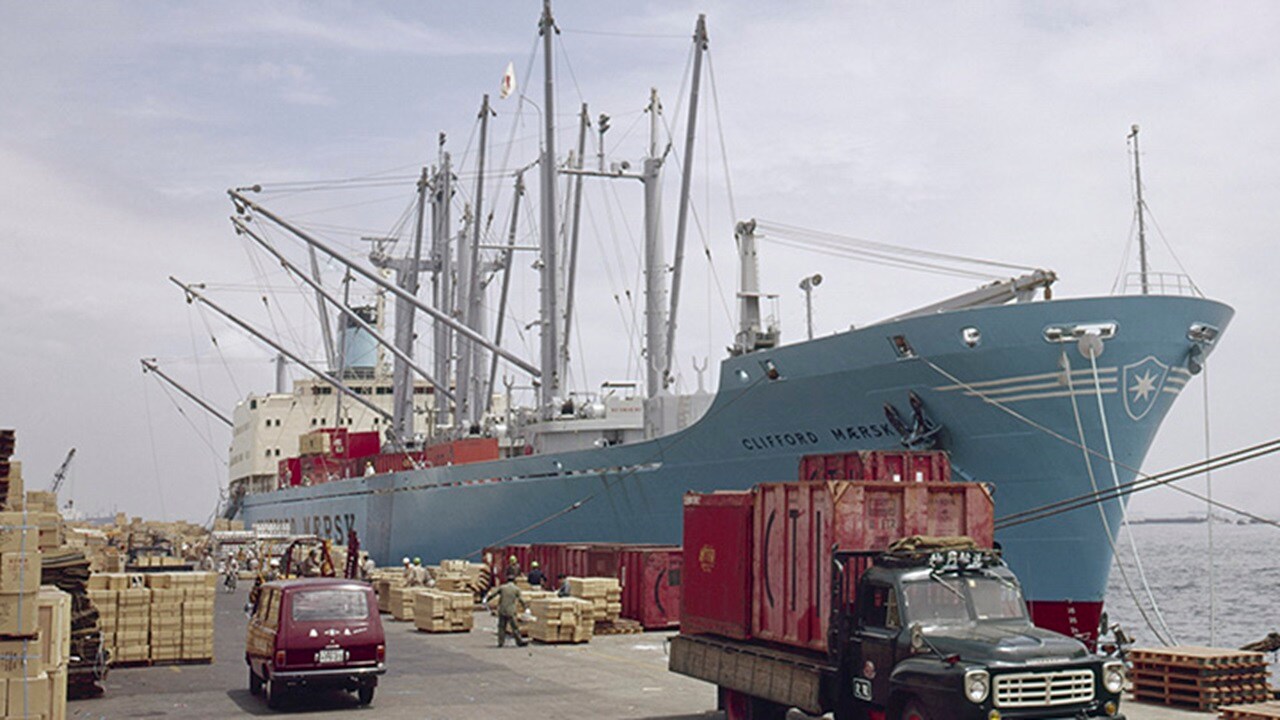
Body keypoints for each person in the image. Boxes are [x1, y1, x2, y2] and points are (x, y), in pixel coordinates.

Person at [483, 571, 528, 648]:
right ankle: (519, 641)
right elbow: (521, 600)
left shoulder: (502, 587)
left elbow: (493, 594)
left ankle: (500, 642)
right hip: (511, 611)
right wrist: (526, 607)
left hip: (502, 610)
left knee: (501, 627)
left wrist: (486, 599)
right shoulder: (516, 589)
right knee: (514, 627)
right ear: (514, 581)